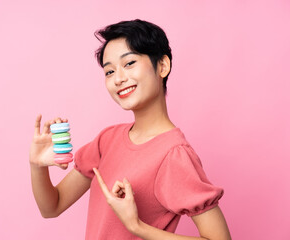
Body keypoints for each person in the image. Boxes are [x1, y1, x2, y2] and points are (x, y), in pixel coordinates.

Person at [29, 19, 231, 240]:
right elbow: (52, 207)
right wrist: (37, 165)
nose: (118, 79)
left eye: (129, 63)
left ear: (163, 66)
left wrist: (136, 226)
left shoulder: (175, 154)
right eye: (109, 72)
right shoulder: (107, 140)